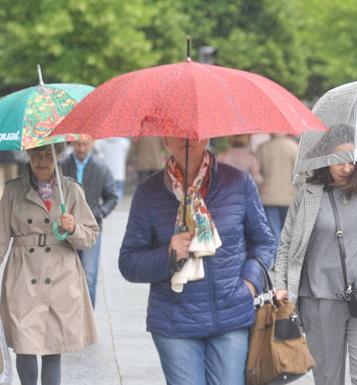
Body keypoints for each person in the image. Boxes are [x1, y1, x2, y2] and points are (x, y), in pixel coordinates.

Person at [119, 137, 276, 385]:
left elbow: (264, 242)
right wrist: (168, 253)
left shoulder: (237, 182)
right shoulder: (149, 192)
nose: (186, 138)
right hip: (174, 321)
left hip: (230, 316)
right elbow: (128, 263)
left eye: (193, 131)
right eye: (177, 131)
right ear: (164, 139)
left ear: (207, 135)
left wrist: (249, 284)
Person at [273, 124, 357, 385]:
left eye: (353, 160)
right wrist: (281, 286)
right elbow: (287, 243)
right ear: (325, 159)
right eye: (339, 161)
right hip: (321, 297)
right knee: (327, 376)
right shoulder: (308, 195)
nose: (347, 168)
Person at [0, 144, 99, 385]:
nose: (42, 160)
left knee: (53, 347)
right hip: (24, 274)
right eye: (36, 154)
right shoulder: (13, 190)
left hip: (60, 276)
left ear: (57, 156)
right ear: (28, 156)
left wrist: (73, 227)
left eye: (47, 154)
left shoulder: (71, 191)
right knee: (25, 345)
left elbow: (90, 237)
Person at [61, 136, 118, 308]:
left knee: (89, 276)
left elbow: (112, 197)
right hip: (66, 228)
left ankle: (88, 318)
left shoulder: (101, 167)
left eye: (85, 144)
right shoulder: (62, 166)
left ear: (92, 143)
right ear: (71, 143)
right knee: (66, 276)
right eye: (78, 144)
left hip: (91, 228)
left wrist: (99, 213)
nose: (81, 148)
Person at [255, 134, 299, 243]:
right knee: (288, 235)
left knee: (273, 234)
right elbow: (301, 176)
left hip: (268, 197)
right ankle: (285, 259)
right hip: (290, 198)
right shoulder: (295, 147)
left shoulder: (263, 148)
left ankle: (275, 259)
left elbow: (256, 175)